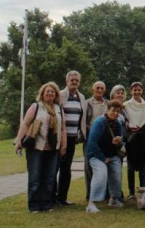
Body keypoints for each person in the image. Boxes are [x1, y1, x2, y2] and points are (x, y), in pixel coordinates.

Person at [15, 82, 67, 213]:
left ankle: (46, 204)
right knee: (35, 177)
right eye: (47, 91)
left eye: (53, 92)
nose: (50, 93)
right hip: (36, 148)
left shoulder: (59, 109)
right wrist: (18, 141)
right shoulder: (36, 107)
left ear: (56, 94)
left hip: (53, 149)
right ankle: (34, 206)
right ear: (42, 94)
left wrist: (63, 146)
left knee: (49, 178)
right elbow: (25, 124)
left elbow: (63, 129)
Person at [85, 99, 125, 213]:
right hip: (96, 155)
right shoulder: (99, 122)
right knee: (101, 174)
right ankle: (91, 204)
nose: (116, 113)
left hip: (112, 155)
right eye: (113, 110)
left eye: (118, 111)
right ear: (107, 110)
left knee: (117, 175)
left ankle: (114, 199)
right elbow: (92, 142)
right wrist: (103, 158)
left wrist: (119, 142)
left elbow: (121, 142)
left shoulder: (118, 123)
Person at [57, 70, 86, 206]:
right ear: (66, 81)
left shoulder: (81, 97)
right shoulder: (61, 95)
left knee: (66, 168)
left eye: (76, 80)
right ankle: (51, 197)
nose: (74, 82)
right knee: (55, 167)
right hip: (58, 138)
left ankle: (62, 198)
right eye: (72, 80)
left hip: (72, 138)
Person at [124, 81, 145, 200]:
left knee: (141, 167)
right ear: (131, 91)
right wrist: (129, 127)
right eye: (134, 90)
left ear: (142, 91)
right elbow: (124, 120)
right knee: (130, 167)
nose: (137, 92)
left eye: (139, 89)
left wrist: (142, 128)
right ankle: (131, 192)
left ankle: (142, 190)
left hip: (142, 138)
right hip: (130, 138)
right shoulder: (126, 105)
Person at [84, 81, 108, 202]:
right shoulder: (87, 103)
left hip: (104, 140)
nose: (99, 90)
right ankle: (90, 194)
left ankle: (105, 194)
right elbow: (82, 121)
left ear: (104, 90)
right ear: (92, 89)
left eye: (102, 88)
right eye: (97, 88)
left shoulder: (107, 103)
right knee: (89, 167)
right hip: (90, 138)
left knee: (105, 165)